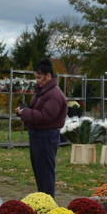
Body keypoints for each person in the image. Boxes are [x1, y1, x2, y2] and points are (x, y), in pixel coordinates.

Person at [16, 59, 67, 197]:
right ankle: (43, 200)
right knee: (40, 172)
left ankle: (48, 202)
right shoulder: (43, 92)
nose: (37, 81)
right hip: (38, 135)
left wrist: (25, 113)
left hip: (46, 137)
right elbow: (36, 109)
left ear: (48, 76)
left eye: (39, 77)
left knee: (46, 173)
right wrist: (24, 109)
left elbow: (46, 116)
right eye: (36, 77)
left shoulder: (55, 95)